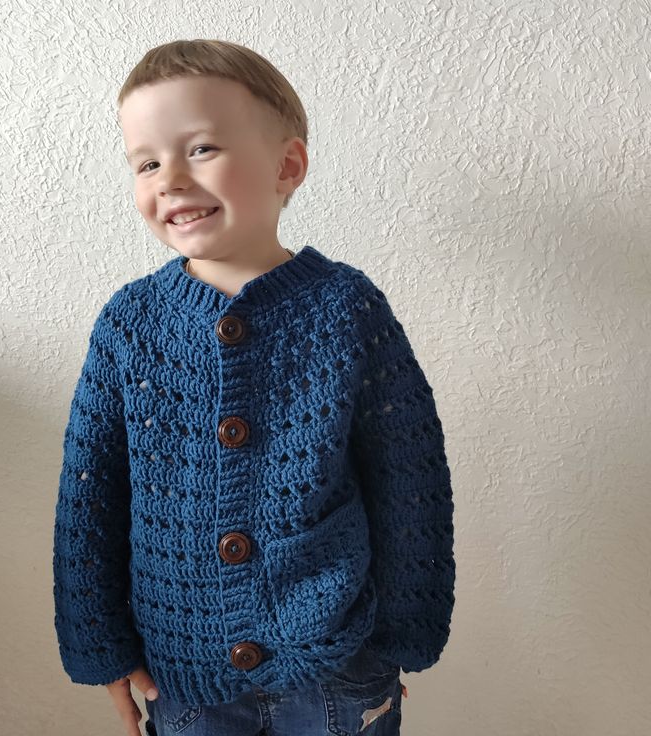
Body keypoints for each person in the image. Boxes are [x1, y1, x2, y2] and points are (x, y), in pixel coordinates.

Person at [52, 39, 455, 736]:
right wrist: (100, 647)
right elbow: (90, 495)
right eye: (146, 162)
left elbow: (407, 475)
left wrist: (399, 637)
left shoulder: (346, 310)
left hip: (333, 664)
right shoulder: (130, 326)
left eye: (201, 148)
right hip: (185, 674)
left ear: (287, 165)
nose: (169, 178)